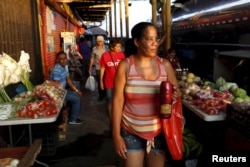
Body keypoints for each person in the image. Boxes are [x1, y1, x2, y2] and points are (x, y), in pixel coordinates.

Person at [112, 22, 180, 167]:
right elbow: (117, 102)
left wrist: (173, 97)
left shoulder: (165, 65)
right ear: (137, 42)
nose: (155, 43)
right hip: (131, 130)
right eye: (149, 39)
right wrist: (116, 135)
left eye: (156, 38)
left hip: (159, 132)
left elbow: (176, 93)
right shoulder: (125, 66)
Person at [50, 51, 84, 125]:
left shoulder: (65, 67)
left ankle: (72, 114)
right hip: (57, 93)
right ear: (58, 60)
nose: (63, 60)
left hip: (63, 90)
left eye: (65, 58)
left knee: (77, 92)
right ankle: (73, 119)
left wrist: (76, 90)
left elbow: (68, 79)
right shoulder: (57, 70)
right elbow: (57, 84)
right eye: (61, 59)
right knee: (76, 98)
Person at [99, 39, 125, 119]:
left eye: (120, 47)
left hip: (120, 82)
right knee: (109, 100)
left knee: (120, 99)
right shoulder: (105, 55)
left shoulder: (122, 55)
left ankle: (119, 116)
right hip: (109, 82)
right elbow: (102, 69)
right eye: (117, 47)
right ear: (111, 47)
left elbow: (125, 68)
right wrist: (101, 81)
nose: (119, 49)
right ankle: (111, 117)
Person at [89, 35, 108, 101]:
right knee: (100, 81)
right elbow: (92, 59)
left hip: (107, 68)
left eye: (101, 41)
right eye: (98, 41)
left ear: (103, 41)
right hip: (98, 68)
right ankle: (101, 95)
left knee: (106, 81)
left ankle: (106, 94)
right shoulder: (94, 49)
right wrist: (90, 68)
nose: (99, 42)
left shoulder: (107, 48)